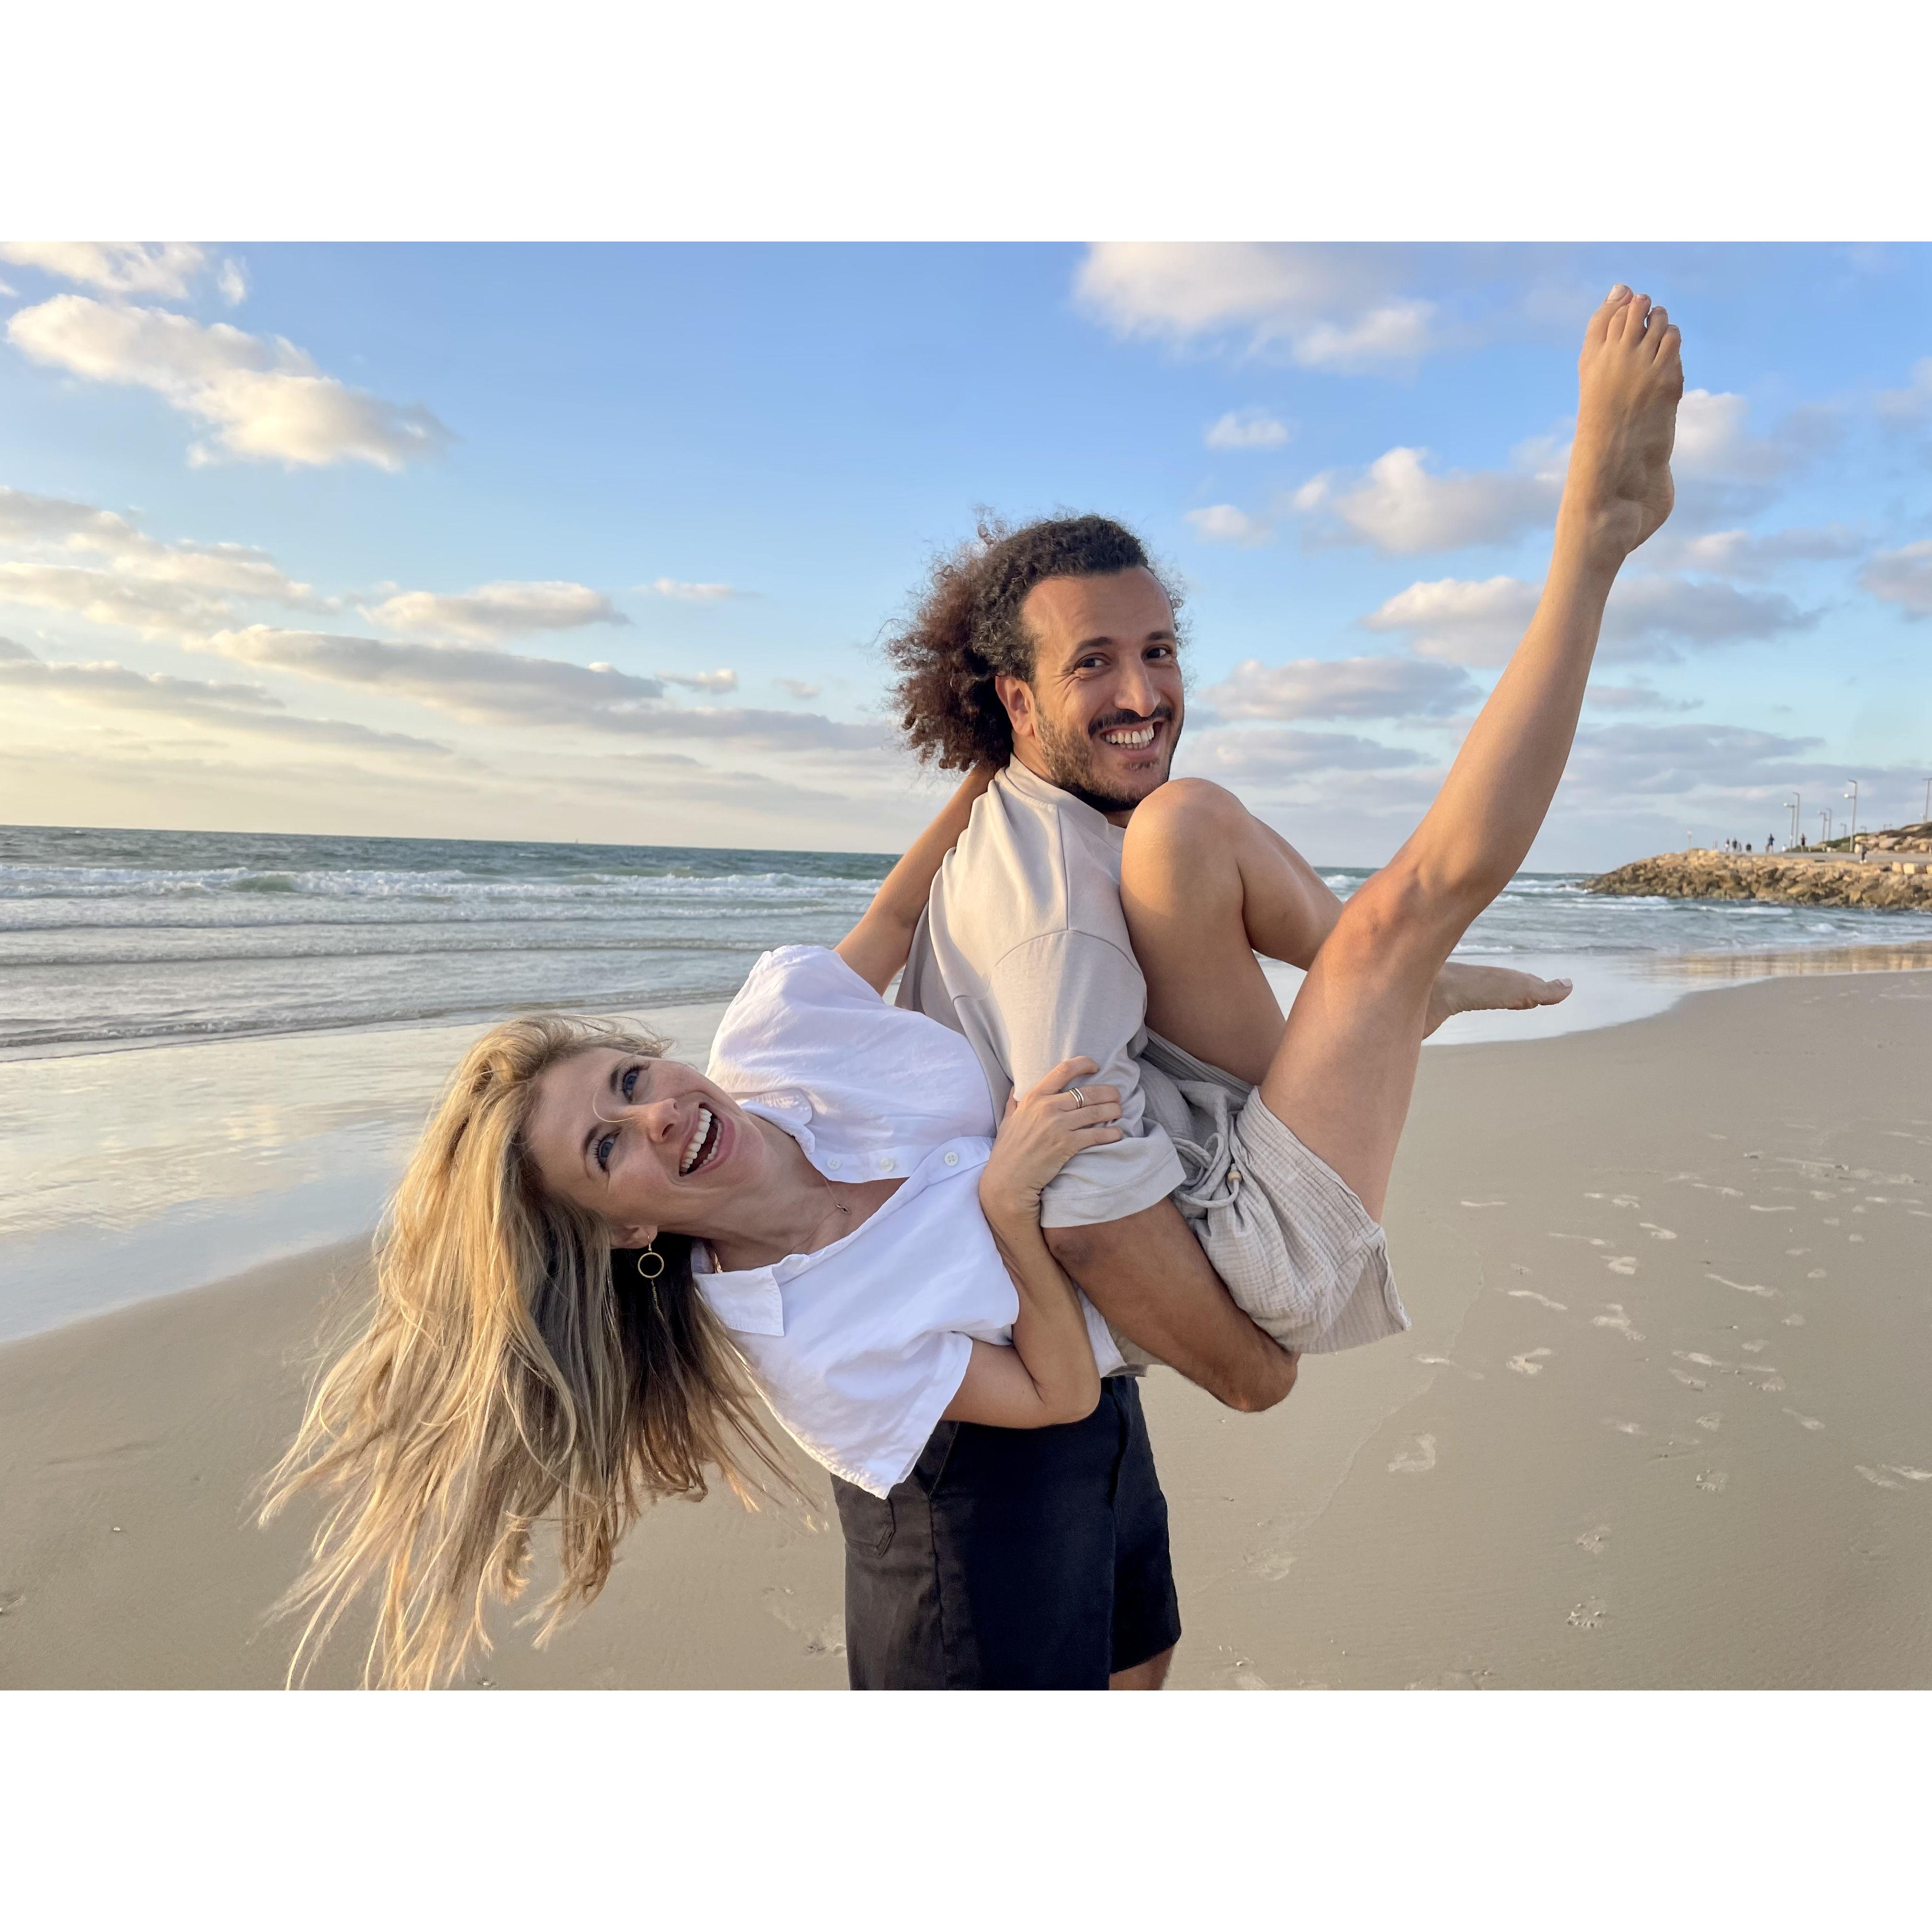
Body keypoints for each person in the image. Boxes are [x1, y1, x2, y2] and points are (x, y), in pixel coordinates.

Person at [262, 282, 1682, 1691]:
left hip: (1108, 1353)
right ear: (621, 1226)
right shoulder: (804, 1336)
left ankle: (1391, 997)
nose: (656, 1115)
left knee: (1146, 1658)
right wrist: (1020, 1210)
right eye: (609, 1147)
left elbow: (889, 915)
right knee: (1394, 926)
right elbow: (1075, 1350)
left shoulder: (774, 1040)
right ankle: (1590, 552)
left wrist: (989, 781)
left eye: (630, 1080)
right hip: (966, 1502)